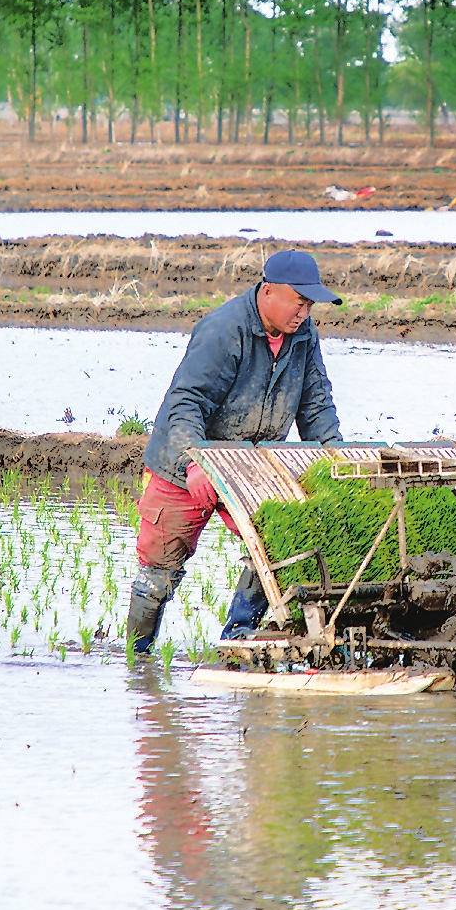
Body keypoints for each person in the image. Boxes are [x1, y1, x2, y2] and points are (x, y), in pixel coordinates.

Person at [127, 250, 345, 653]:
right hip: (185, 464)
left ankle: (237, 638)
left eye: (310, 304)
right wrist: (195, 462)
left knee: (279, 545)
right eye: (300, 302)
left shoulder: (304, 335)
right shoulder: (225, 329)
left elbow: (316, 404)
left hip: (251, 462)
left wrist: (337, 462)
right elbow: (186, 402)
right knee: (158, 573)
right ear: (268, 292)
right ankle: (136, 659)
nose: (305, 312)